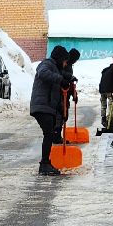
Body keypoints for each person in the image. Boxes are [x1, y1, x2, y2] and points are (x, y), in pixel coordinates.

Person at [30, 44, 70, 175]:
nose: (65, 64)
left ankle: (45, 163)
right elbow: (43, 73)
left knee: (49, 133)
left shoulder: (55, 68)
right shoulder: (46, 64)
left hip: (47, 106)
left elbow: (56, 92)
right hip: (42, 106)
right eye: (65, 61)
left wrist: (61, 111)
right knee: (49, 134)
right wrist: (61, 79)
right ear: (60, 58)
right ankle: (44, 164)